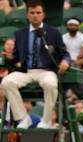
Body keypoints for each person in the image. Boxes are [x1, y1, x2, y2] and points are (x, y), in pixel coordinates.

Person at [1, 0, 71, 130]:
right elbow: (16, 58)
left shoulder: (53, 32)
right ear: (27, 15)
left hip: (46, 71)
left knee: (50, 83)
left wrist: (65, 61)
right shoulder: (20, 33)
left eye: (38, 13)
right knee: (6, 82)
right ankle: (23, 118)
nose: (35, 15)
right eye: (32, 13)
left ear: (43, 15)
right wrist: (10, 57)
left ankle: (45, 120)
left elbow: (64, 53)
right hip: (26, 72)